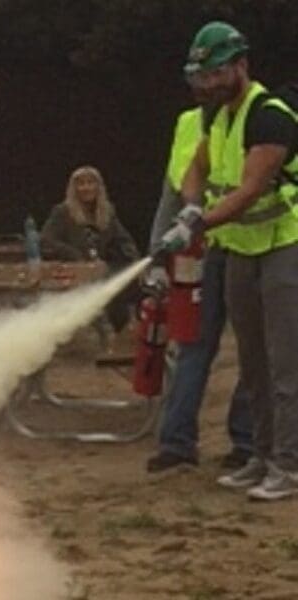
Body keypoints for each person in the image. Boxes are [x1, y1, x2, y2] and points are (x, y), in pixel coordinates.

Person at [159, 21, 298, 500]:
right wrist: (191, 205)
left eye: (215, 74)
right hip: (240, 247)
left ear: (241, 66)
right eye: (200, 76)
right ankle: (260, 456)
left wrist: (198, 225)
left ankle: (289, 466)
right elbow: (198, 166)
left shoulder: (270, 116)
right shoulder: (217, 117)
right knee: (253, 363)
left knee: (286, 365)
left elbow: (251, 188)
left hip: (284, 245)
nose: (206, 85)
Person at [145, 86, 253, 473]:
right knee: (203, 346)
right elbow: (173, 192)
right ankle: (233, 441)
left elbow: (172, 198)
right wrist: (159, 254)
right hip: (211, 250)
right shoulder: (199, 124)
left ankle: (197, 443)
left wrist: (160, 251)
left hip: (233, 248)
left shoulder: (254, 121)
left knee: (231, 350)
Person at [40, 165, 140, 334]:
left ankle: (117, 332)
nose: (86, 188)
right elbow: (47, 241)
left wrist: (133, 257)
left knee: (122, 281)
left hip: (99, 270)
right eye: (81, 184)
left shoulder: (107, 212)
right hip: (72, 270)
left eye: (90, 183)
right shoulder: (62, 212)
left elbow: (123, 239)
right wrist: (75, 256)